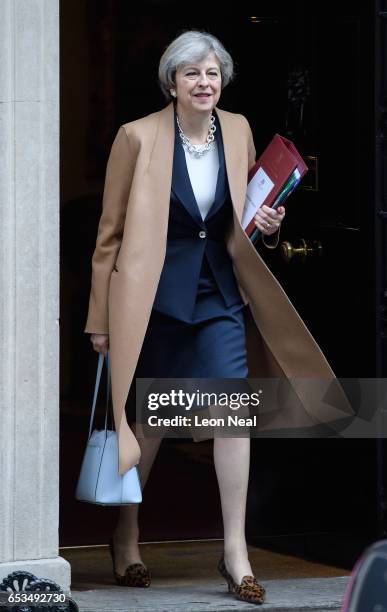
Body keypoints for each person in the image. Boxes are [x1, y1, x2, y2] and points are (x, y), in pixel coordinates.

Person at [84, 30, 348, 606]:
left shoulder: (239, 128)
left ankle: (236, 552)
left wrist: (268, 226)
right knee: (151, 423)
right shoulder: (137, 136)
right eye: (192, 75)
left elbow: (243, 209)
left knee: (235, 417)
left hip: (219, 293)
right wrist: (99, 320)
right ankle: (126, 536)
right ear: (172, 83)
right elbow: (108, 237)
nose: (204, 84)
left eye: (212, 74)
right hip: (154, 297)